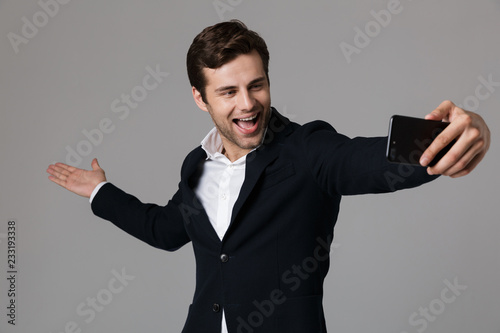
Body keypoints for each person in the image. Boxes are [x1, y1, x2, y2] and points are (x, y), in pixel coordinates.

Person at [46, 20, 490, 333]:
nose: (248, 103)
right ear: (200, 99)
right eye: (228, 91)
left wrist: (462, 135)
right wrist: (100, 192)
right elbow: (165, 229)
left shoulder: (308, 149)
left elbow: (372, 160)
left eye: (256, 85)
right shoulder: (197, 166)